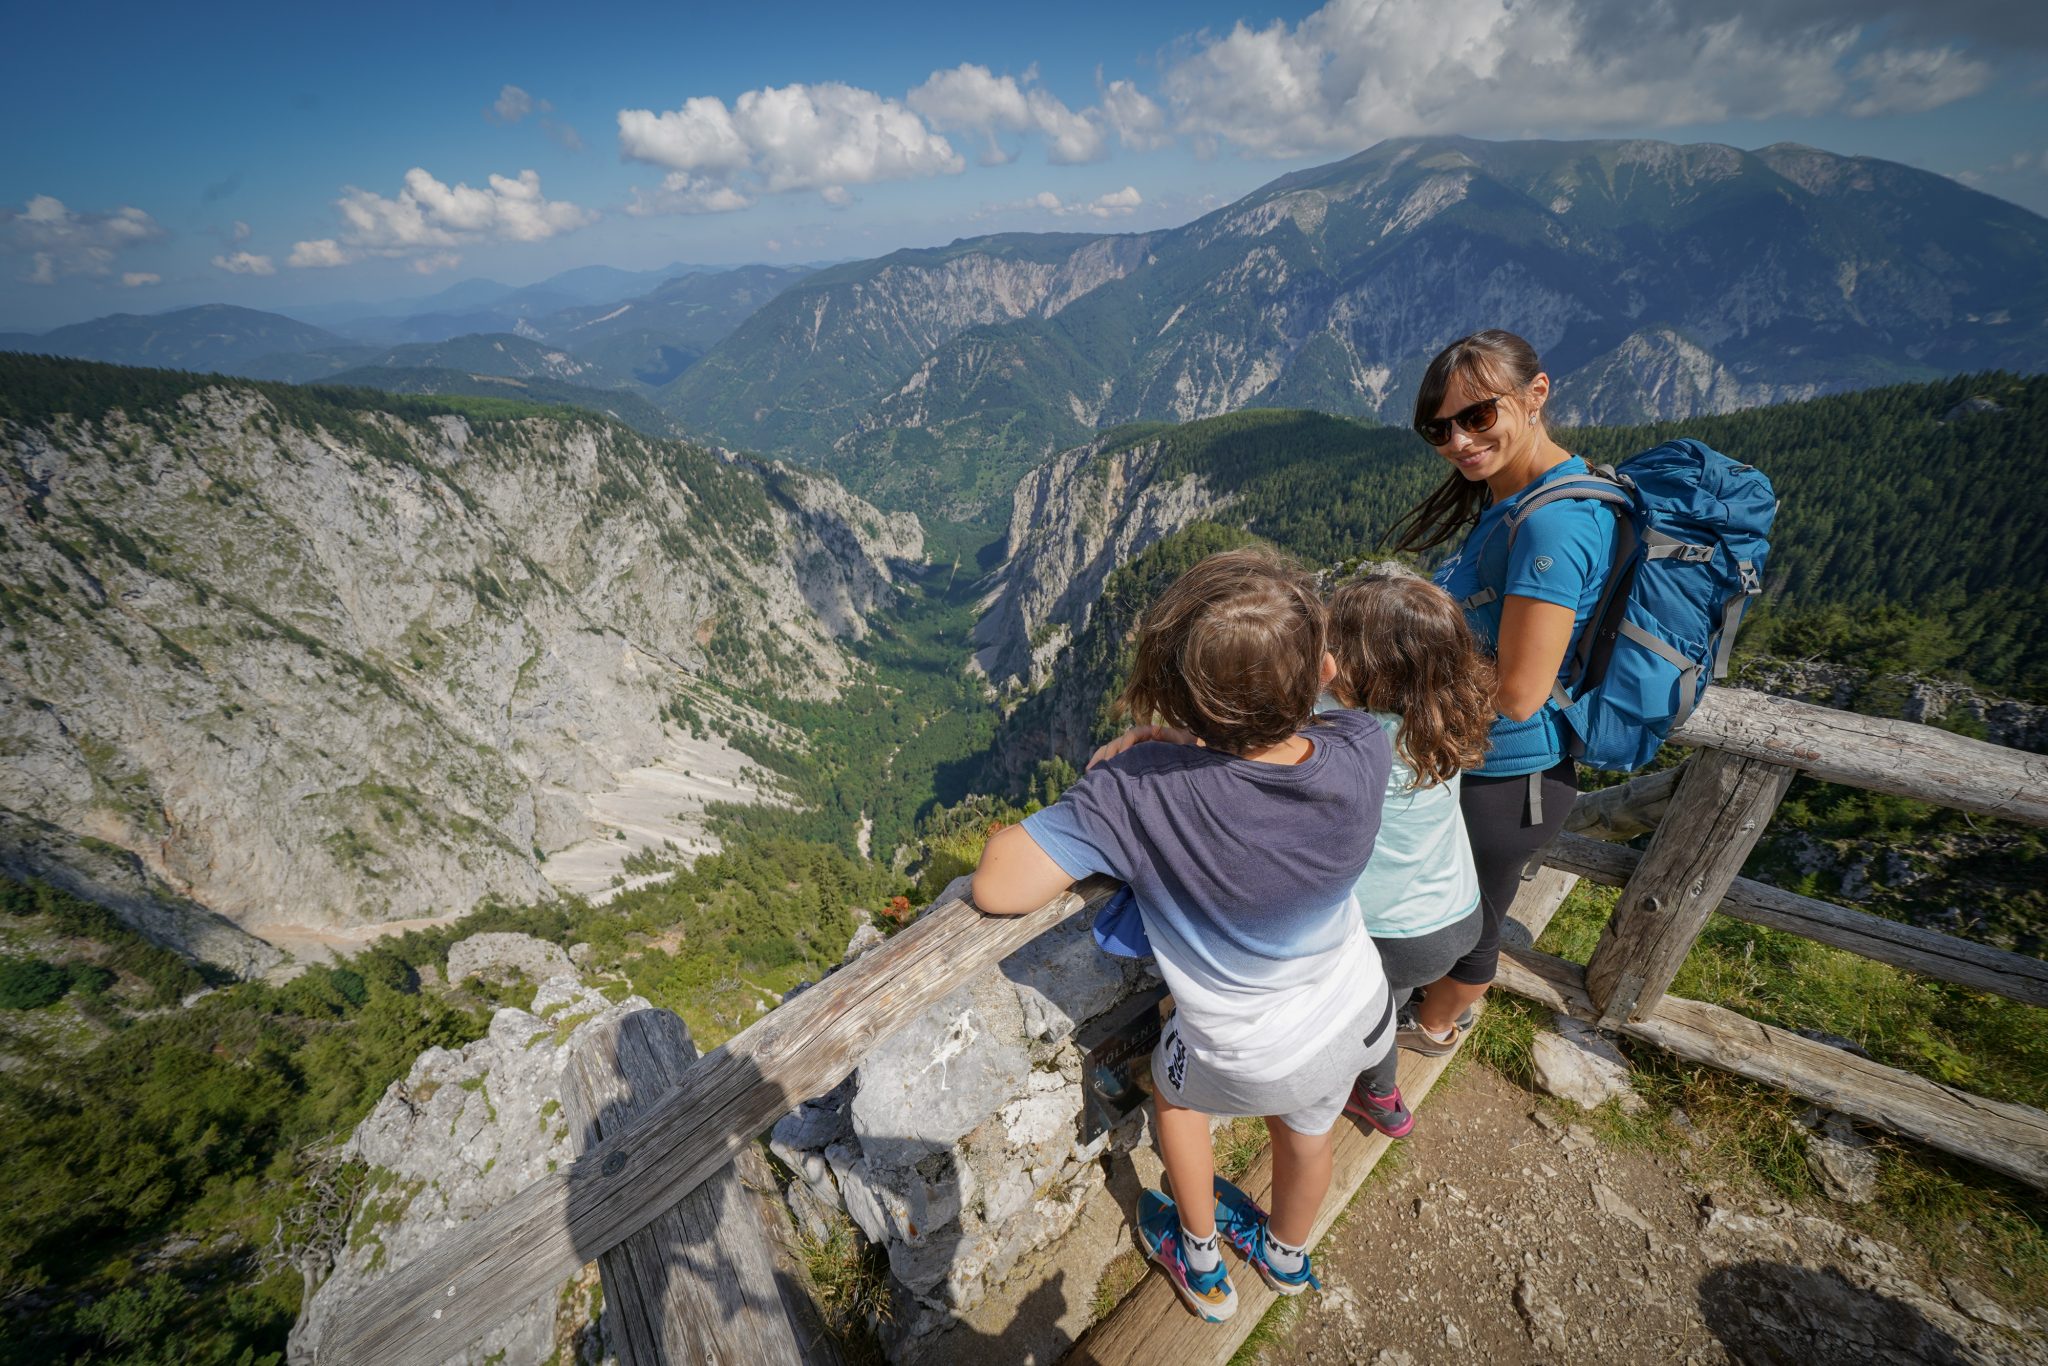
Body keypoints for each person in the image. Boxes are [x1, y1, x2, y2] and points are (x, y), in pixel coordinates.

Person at [971, 548, 1394, 1323]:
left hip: (1247, 1050)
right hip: (1356, 1014)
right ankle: (1286, 1255)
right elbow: (1276, 761)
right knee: (1307, 1133)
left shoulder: (1137, 795)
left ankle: (1199, 1262)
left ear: (1173, 696)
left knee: (1175, 1101)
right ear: (1327, 669)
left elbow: (998, 884)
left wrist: (1131, 764)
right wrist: (1183, 743)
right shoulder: (1363, 746)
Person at [1386, 329, 1618, 1054]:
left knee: (1476, 924)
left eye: (1478, 416)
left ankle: (1432, 1028)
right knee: (1455, 911)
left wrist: (1398, 692)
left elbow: (1519, 692)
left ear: (1535, 395)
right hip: (1485, 767)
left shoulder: (1550, 524)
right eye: (1439, 428)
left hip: (1509, 777)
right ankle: (1426, 1003)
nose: (1458, 440)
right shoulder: (1518, 498)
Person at [1317, 567, 1494, 1137]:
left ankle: (1378, 1097)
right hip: (1458, 915)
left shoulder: (1343, 730)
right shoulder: (1443, 718)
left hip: (1396, 936)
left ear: (1360, 663)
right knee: (1384, 1006)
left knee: (1370, 1019)